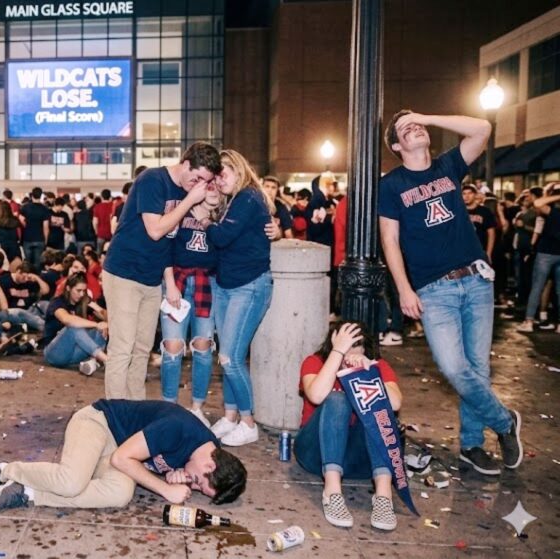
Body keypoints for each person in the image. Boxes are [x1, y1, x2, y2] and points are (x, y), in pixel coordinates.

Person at [378, 110, 522, 475]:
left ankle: (471, 445)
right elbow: (390, 240)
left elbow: (483, 128)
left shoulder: (448, 166)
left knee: (478, 368)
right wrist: (404, 289)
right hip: (433, 290)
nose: (415, 128)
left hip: (475, 279)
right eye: (404, 129)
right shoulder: (392, 184)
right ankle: (505, 422)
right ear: (396, 146)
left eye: (418, 125)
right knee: (454, 367)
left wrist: (424, 115)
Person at [0, 399, 246, 511]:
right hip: (98, 424)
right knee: (72, 481)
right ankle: (4, 469)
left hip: (118, 451)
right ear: (210, 463)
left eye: (195, 488)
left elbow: (133, 460)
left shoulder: (207, 450)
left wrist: (171, 476)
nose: (191, 485)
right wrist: (163, 488)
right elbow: (122, 459)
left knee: (119, 495)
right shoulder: (180, 428)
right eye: (197, 481)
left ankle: (30, 493)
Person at [101, 143, 212, 400]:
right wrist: (189, 201)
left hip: (151, 279)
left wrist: (169, 281)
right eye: (196, 178)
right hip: (124, 273)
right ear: (186, 164)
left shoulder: (183, 190)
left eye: (203, 182)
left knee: (142, 349)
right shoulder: (152, 179)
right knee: (122, 347)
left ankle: (135, 406)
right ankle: (116, 412)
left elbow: (168, 242)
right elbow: (156, 230)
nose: (198, 186)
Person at [188, 149, 274, 447]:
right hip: (227, 285)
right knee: (228, 357)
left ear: (239, 169)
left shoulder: (248, 197)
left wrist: (204, 221)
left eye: (223, 173)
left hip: (248, 286)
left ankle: (248, 423)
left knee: (229, 357)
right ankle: (230, 415)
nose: (219, 180)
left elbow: (222, 237)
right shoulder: (236, 201)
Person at [294, 323, 402, 531]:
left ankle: (383, 495)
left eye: (357, 345)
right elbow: (316, 395)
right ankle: (332, 492)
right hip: (315, 453)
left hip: (359, 460)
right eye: (347, 344)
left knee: (379, 407)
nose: (350, 352)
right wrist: (337, 354)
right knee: (337, 400)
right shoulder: (315, 362)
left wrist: (368, 374)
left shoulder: (376, 366)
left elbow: (395, 403)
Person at [160, 181, 224, 425]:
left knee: (203, 345)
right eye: (208, 186)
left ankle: (197, 407)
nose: (213, 190)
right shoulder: (181, 209)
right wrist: (169, 283)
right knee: (173, 346)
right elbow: (164, 246)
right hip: (178, 280)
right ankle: (168, 407)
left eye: (217, 187)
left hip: (208, 283)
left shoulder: (224, 217)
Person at [517, 183, 560, 334]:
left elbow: (538, 203)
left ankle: (529, 321)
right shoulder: (551, 211)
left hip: (546, 253)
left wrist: (551, 193)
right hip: (553, 253)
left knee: (537, 287)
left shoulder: (550, 211)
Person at [43, 274, 108, 374]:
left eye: (84, 291)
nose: (82, 294)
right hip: (54, 354)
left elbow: (105, 315)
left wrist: (101, 315)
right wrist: (96, 324)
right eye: (78, 290)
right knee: (73, 328)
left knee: (101, 328)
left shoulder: (84, 301)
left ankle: (93, 361)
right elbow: (67, 319)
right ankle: (107, 361)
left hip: (73, 355)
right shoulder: (57, 302)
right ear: (68, 288)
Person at [20, 187, 51, 269]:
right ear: (41, 195)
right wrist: (46, 241)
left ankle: (27, 279)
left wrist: (26, 225)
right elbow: (46, 227)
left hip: (27, 238)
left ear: (31, 195)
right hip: (39, 239)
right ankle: (36, 279)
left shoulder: (25, 207)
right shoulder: (44, 209)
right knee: (37, 264)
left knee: (27, 263)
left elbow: (20, 218)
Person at [462, 184, 497, 256]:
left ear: (475, 195)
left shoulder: (484, 211)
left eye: (470, 193)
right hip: (463, 251)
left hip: (480, 250)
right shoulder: (459, 212)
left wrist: (489, 253)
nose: (467, 196)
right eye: (464, 194)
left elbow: (491, 233)